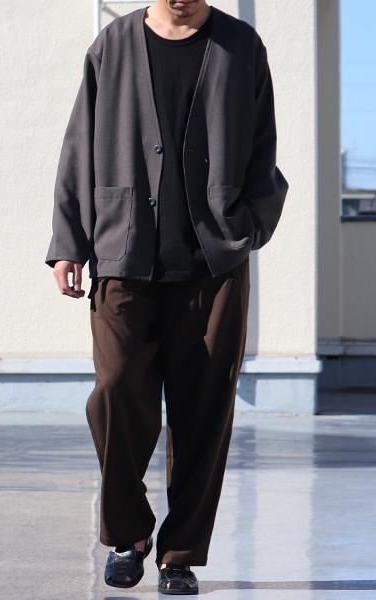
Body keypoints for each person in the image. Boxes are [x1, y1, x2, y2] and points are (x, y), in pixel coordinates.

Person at [46, 0, 287, 594]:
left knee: (204, 412)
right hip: (122, 256)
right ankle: (128, 534)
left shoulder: (241, 48)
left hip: (213, 267)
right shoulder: (113, 46)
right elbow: (79, 147)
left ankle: (178, 556)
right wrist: (69, 242)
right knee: (115, 390)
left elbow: (264, 148)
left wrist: (248, 226)